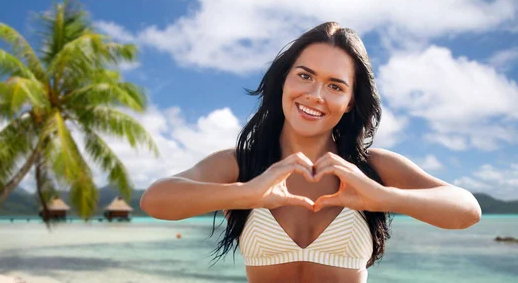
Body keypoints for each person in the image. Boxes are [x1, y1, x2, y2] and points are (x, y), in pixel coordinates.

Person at [140, 22, 482, 283]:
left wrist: (383, 198)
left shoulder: (371, 168)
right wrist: (246, 193)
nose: (316, 94)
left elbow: (466, 210)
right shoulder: (242, 164)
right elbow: (155, 200)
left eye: (335, 85)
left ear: (350, 103)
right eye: (305, 76)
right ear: (284, 81)